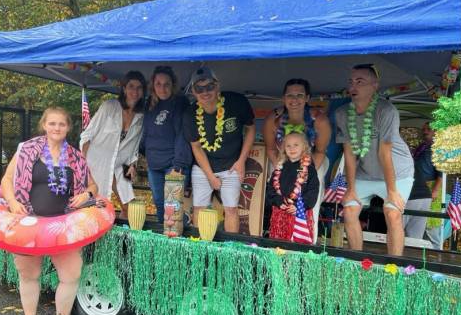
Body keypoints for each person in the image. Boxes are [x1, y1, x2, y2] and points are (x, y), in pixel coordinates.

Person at [1, 107, 98, 315]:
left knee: (71, 273)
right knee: (28, 273)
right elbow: (6, 180)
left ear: (68, 128)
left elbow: (93, 187)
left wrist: (86, 194)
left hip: (63, 224)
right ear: (44, 125)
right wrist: (13, 202)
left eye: (61, 124)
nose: (56, 128)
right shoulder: (26, 150)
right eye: (52, 123)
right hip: (29, 222)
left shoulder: (75, 156)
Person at [335, 64, 414, 256]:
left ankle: (394, 266)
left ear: (375, 85)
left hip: (398, 171)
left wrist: (392, 192)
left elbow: (384, 153)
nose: (353, 86)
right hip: (365, 172)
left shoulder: (386, 111)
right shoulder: (342, 113)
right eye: (351, 82)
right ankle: (357, 261)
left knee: (392, 213)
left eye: (360, 82)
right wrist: (351, 189)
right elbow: (349, 153)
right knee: (349, 210)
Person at [183, 67, 256, 233]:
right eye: (199, 88)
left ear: (218, 86)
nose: (205, 92)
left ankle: (230, 250)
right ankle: (199, 249)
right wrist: (210, 176)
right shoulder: (190, 113)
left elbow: (250, 129)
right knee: (199, 208)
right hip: (203, 167)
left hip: (232, 165)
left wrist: (241, 161)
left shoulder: (237, 101)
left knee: (231, 209)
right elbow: (196, 147)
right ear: (193, 92)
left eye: (209, 86)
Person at [262, 79, 331, 242]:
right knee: (280, 199)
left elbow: (320, 151)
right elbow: (271, 148)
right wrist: (281, 167)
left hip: (313, 160)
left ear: (307, 98)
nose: (294, 100)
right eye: (290, 95)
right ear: (283, 98)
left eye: (299, 95)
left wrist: (305, 174)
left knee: (308, 204)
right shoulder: (273, 119)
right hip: (282, 160)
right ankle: (279, 240)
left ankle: (306, 243)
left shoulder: (319, 121)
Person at [80, 71, 146, 218]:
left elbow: (134, 147)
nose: (134, 91)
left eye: (139, 87)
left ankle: (122, 238)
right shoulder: (109, 106)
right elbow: (87, 136)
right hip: (97, 164)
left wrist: (133, 165)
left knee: (131, 209)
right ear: (124, 88)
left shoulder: (141, 116)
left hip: (121, 166)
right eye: (131, 86)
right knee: (96, 208)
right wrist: (83, 166)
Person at [140, 66, 192, 223]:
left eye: (166, 84)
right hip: (154, 164)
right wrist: (142, 154)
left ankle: (179, 237)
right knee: (160, 205)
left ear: (173, 85)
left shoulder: (180, 103)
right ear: (153, 85)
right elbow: (145, 132)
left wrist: (179, 166)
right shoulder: (149, 103)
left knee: (172, 207)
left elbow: (183, 136)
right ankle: (165, 241)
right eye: (158, 84)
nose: (162, 88)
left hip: (173, 164)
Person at [267, 132, 319, 243]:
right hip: (281, 214)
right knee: (279, 246)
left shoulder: (309, 169)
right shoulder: (279, 168)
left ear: (304, 147)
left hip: (300, 214)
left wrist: (298, 206)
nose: (292, 148)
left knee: (298, 247)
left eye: (296, 145)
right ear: (284, 148)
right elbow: (270, 189)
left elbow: (313, 192)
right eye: (288, 146)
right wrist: (278, 201)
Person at [403, 122, 443, 248]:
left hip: (431, 187)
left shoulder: (439, 148)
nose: (425, 131)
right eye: (424, 129)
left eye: (429, 129)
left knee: (431, 225)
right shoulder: (421, 147)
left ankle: (437, 255)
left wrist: (435, 190)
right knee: (418, 224)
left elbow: (442, 171)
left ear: (436, 131)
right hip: (416, 186)